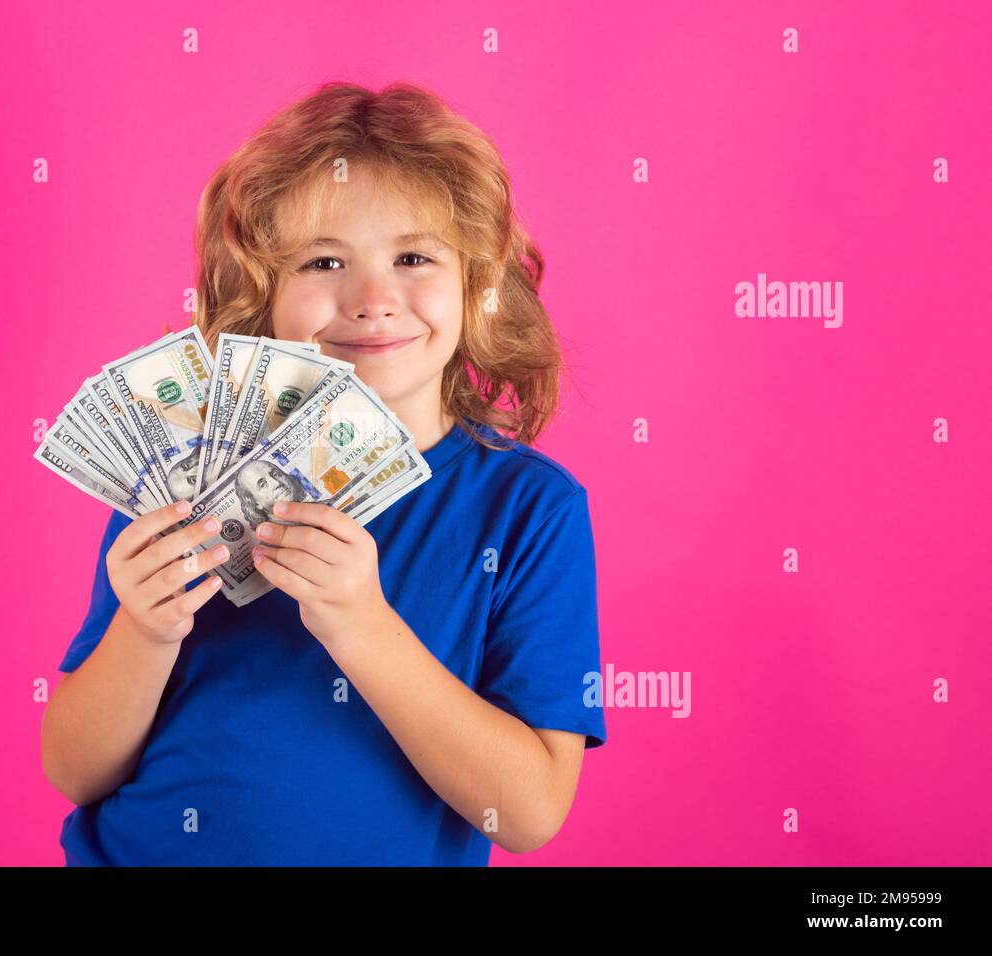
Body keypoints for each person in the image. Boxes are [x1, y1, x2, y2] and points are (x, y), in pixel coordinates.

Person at [40, 81, 608, 865]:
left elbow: (529, 813)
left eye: (413, 257)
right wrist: (144, 630)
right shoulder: (184, 473)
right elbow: (73, 770)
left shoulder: (528, 512)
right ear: (264, 295)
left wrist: (363, 627)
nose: (373, 300)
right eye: (323, 261)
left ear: (479, 283)